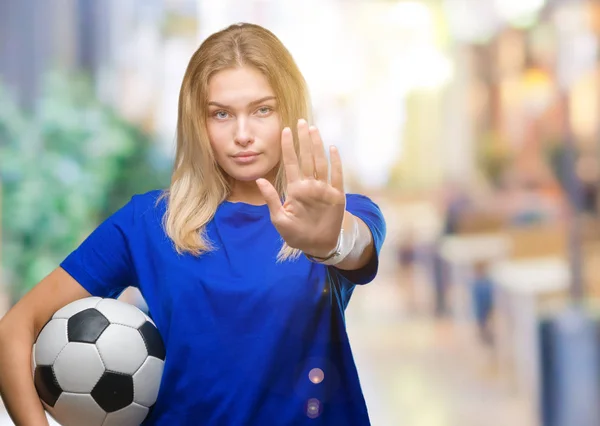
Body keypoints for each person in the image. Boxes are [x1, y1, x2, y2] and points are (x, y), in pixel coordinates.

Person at [0, 23, 386, 425]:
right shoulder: (149, 223)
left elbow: (356, 247)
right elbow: (15, 329)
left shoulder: (338, 214)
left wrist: (332, 242)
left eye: (262, 110)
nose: (242, 135)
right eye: (221, 114)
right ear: (197, 123)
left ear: (290, 111)